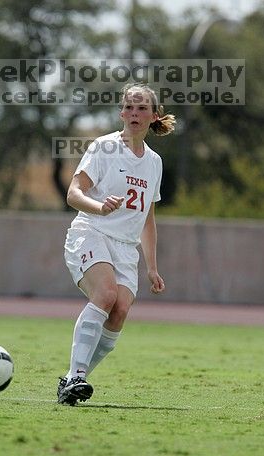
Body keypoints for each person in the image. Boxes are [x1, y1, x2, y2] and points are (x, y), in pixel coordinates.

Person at [57, 82, 176, 405]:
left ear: (154, 116)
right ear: (122, 112)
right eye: (129, 106)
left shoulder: (154, 162)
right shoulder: (104, 147)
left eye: (142, 108)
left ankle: (72, 380)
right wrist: (99, 206)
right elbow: (73, 193)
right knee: (106, 294)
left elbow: (147, 218)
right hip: (90, 231)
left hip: (125, 248)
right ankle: (76, 375)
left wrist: (152, 267)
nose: (134, 113)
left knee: (120, 310)